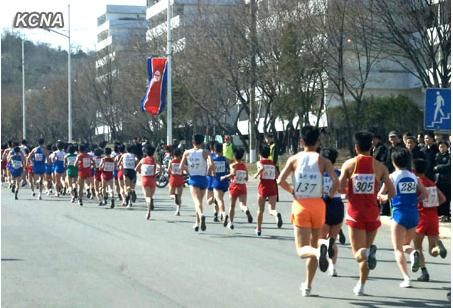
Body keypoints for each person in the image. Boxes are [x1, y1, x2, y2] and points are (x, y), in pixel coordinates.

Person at [277, 125, 339, 297]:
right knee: (314, 244)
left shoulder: (294, 159)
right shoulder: (323, 161)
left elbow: (280, 180)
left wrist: (292, 191)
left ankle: (321, 250)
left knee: (302, 249)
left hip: (301, 204)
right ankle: (308, 285)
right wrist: (328, 195)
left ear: (301, 141)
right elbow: (336, 182)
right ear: (318, 142)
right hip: (319, 204)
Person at [339, 131, 395, 296]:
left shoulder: (349, 164)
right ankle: (361, 285)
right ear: (371, 147)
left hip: (355, 214)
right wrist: (383, 197)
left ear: (356, 147)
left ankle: (368, 254)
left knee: (359, 254)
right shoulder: (380, 166)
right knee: (366, 249)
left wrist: (348, 190)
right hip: (373, 213)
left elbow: (341, 188)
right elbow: (392, 191)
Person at [378, 148, 427, 288]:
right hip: (413, 214)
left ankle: (406, 278)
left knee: (398, 249)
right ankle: (413, 254)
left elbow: (382, 196)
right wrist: (415, 201)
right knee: (406, 245)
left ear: (393, 162)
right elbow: (425, 194)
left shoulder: (392, 177)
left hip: (399, 214)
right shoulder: (414, 177)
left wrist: (383, 197)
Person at [412, 159, 448, 282]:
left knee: (417, 247)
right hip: (433, 217)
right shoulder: (431, 183)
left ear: (414, 169)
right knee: (432, 250)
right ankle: (438, 248)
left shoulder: (417, 183)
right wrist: (433, 204)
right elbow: (443, 198)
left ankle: (424, 272)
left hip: (420, 217)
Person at [180, 134, 213, 232]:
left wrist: (188, 169)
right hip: (203, 179)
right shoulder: (206, 152)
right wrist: (208, 171)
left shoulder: (187, 152)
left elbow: (181, 166)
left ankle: (201, 216)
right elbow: (211, 164)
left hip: (193, 179)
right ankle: (197, 222)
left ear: (193, 142)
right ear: (202, 142)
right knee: (199, 202)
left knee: (196, 201)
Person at [321, 148, 344, 277]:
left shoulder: (319, 173)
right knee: (333, 239)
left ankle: (324, 245)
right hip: (337, 204)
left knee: (322, 238)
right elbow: (343, 189)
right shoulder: (339, 173)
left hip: (324, 204)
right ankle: (333, 267)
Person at [221, 148, 254, 231]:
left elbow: (233, 173)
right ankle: (246, 210)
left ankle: (231, 222)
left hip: (234, 186)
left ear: (234, 157)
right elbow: (246, 178)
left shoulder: (233, 165)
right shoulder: (244, 166)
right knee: (242, 204)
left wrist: (224, 177)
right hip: (242, 186)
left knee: (232, 206)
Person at [253, 146, 282, 235]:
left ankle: (258, 228)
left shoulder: (259, 162)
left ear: (260, 154)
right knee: (272, 209)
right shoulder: (272, 163)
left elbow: (261, 168)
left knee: (260, 210)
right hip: (272, 187)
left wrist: (256, 174)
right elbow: (277, 175)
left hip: (263, 187)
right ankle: (276, 214)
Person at [211, 142, 231, 227]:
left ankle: (223, 213)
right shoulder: (226, 159)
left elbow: (209, 170)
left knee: (219, 199)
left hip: (216, 181)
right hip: (224, 182)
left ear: (215, 150)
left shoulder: (213, 159)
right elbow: (230, 168)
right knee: (219, 198)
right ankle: (216, 213)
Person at [136, 144, 157, 220]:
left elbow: (136, 169)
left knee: (147, 197)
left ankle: (148, 211)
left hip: (145, 179)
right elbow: (160, 168)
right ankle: (151, 201)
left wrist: (141, 172)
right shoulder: (154, 160)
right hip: (153, 180)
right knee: (150, 195)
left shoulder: (143, 160)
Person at [433, 141, 451, 221]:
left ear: (447, 147)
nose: (442, 148)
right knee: (438, 197)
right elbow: (433, 166)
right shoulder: (437, 155)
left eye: (443, 147)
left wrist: (438, 167)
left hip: (446, 180)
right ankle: (439, 214)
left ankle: (446, 214)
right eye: (440, 147)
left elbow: (449, 166)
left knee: (446, 198)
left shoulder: (449, 156)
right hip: (437, 180)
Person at [168, 148, 185, 216]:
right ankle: (178, 210)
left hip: (173, 178)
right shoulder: (181, 161)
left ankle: (175, 197)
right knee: (179, 196)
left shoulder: (171, 161)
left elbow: (169, 170)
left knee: (171, 193)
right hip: (180, 178)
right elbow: (184, 169)